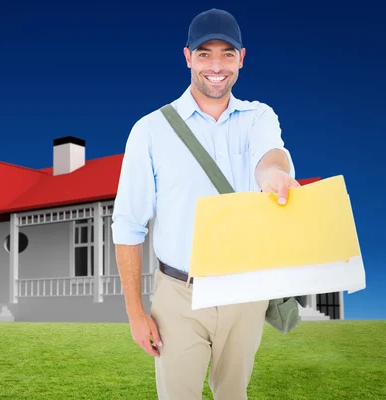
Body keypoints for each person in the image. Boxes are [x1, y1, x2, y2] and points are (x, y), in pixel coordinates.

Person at [110, 7, 300, 400]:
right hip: (180, 294)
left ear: (242, 59)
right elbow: (129, 224)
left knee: (234, 394)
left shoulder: (258, 117)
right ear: (187, 57)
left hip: (246, 292)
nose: (216, 66)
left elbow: (271, 155)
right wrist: (134, 312)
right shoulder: (150, 131)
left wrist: (274, 177)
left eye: (227, 54)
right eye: (205, 54)